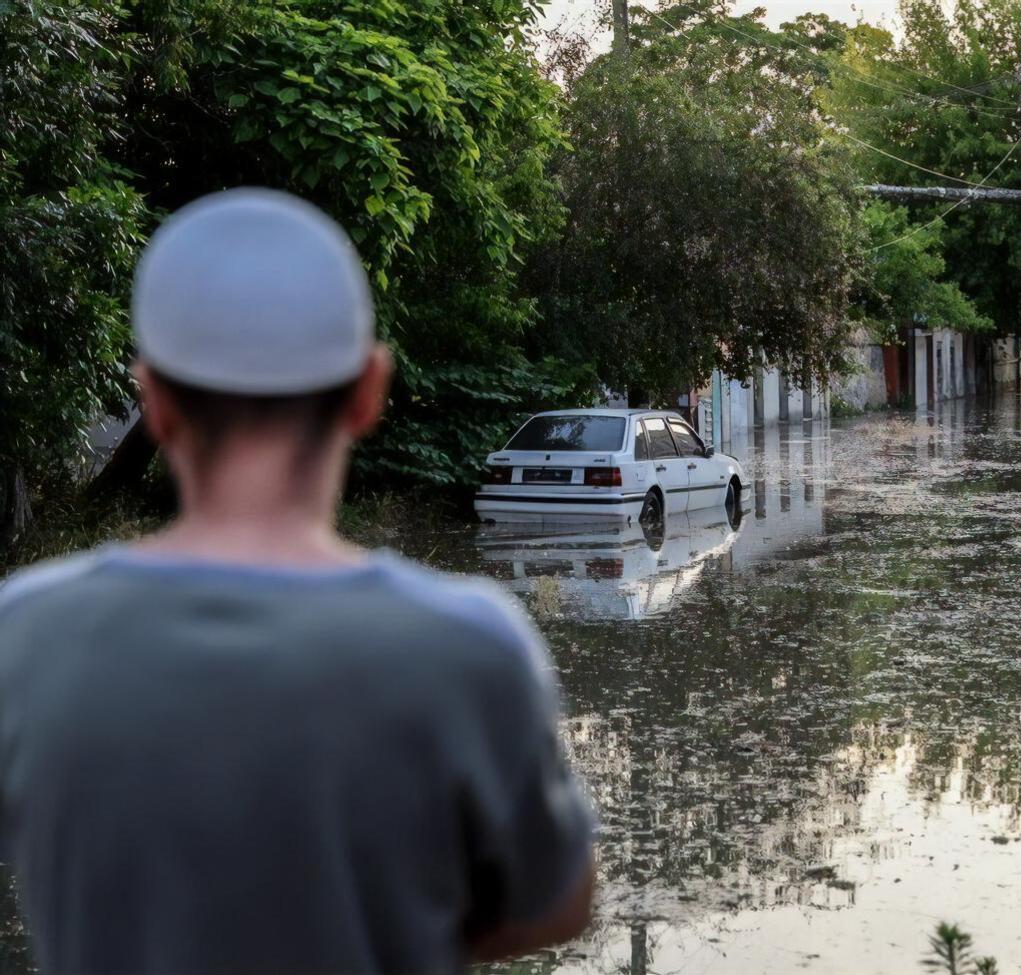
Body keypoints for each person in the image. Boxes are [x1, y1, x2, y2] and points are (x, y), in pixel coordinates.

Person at [0, 189, 595, 974]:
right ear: (368, 390)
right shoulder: (470, 646)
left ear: (154, 402)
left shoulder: (24, 636)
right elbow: (557, 902)